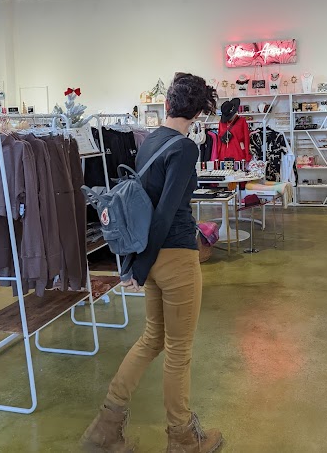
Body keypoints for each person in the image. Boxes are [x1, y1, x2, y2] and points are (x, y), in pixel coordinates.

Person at [81, 73, 222, 453]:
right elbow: (165, 213)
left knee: (152, 339)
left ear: (167, 104)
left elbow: (142, 208)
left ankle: (106, 426)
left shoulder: (151, 142)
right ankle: (182, 437)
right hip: (176, 258)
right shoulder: (185, 148)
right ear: (198, 113)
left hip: (151, 255)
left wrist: (136, 264)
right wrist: (137, 269)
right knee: (178, 351)